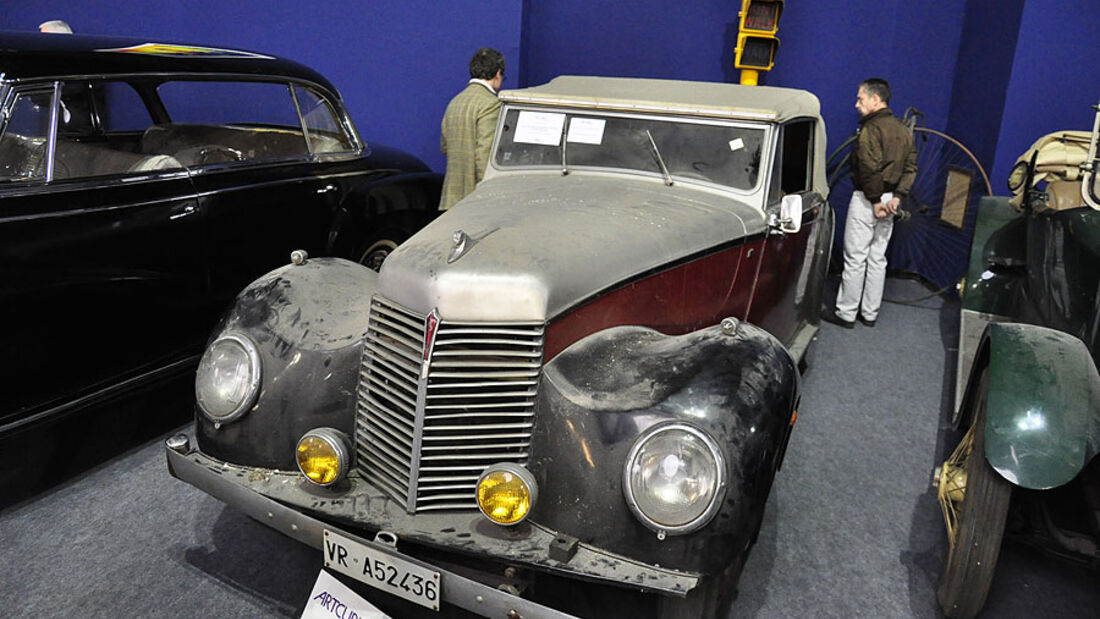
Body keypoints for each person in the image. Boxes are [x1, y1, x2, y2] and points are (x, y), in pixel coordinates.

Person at [822, 78, 917, 329]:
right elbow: (911, 168)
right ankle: (870, 313)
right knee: (878, 258)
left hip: (868, 199)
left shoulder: (870, 130)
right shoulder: (903, 130)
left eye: (860, 99)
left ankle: (846, 313)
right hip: (891, 200)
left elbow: (868, 167)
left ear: (876, 100)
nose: (857, 104)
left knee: (855, 257)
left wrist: (875, 200)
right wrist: (897, 198)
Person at [438, 47, 505, 210]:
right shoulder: (491, 104)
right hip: (476, 200)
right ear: (498, 74)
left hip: (451, 197)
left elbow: (444, 147)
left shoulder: (455, 102)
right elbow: (485, 155)